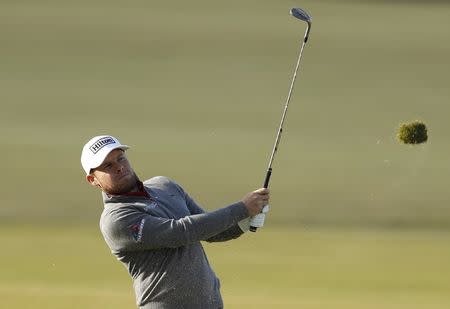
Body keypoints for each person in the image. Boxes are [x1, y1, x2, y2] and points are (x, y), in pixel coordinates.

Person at [81, 135, 270, 309]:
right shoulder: (116, 219)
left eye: (120, 158)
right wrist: (242, 208)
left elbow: (211, 232)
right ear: (92, 180)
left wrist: (248, 220)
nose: (119, 167)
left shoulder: (164, 185)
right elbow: (182, 232)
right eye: (107, 166)